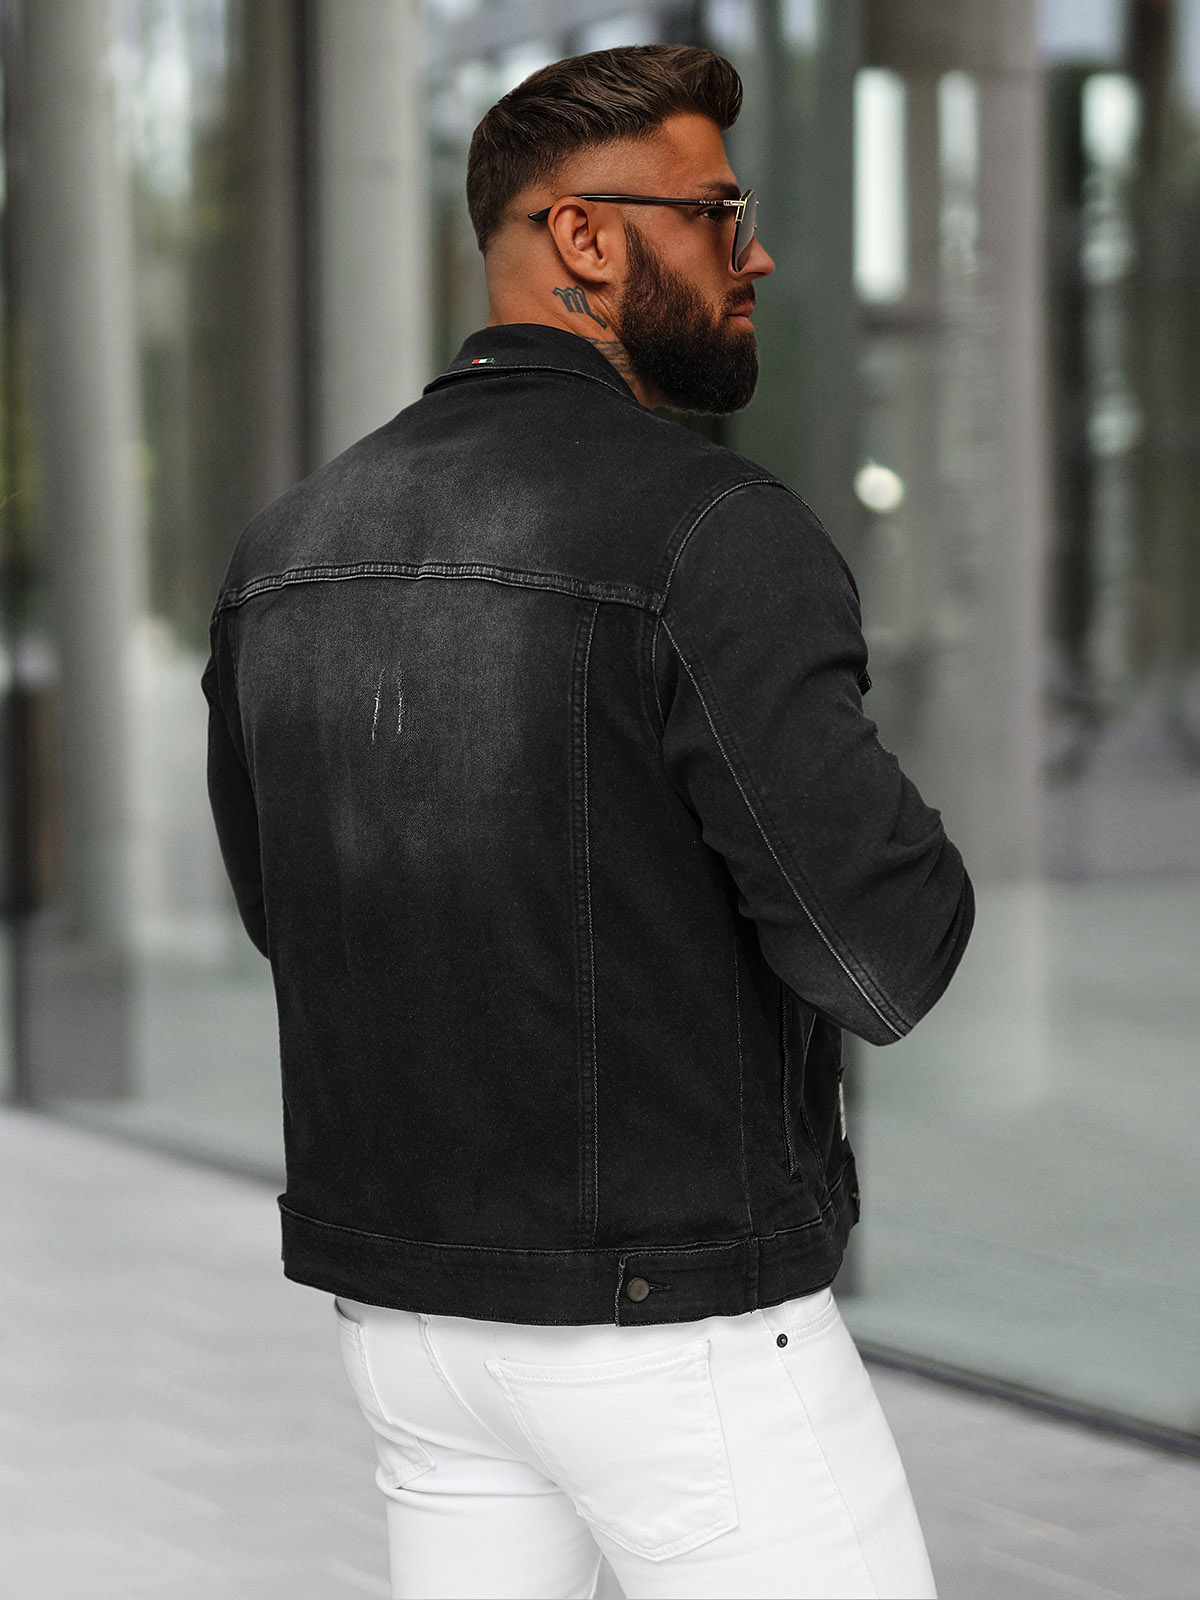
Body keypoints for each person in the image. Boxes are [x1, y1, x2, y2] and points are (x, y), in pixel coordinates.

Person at [203, 43, 973, 1600]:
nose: (756, 253)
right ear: (585, 238)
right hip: (676, 1336)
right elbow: (882, 951)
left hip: (414, 1324)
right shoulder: (711, 533)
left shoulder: (288, 547)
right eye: (718, 211)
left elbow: (292, 913)